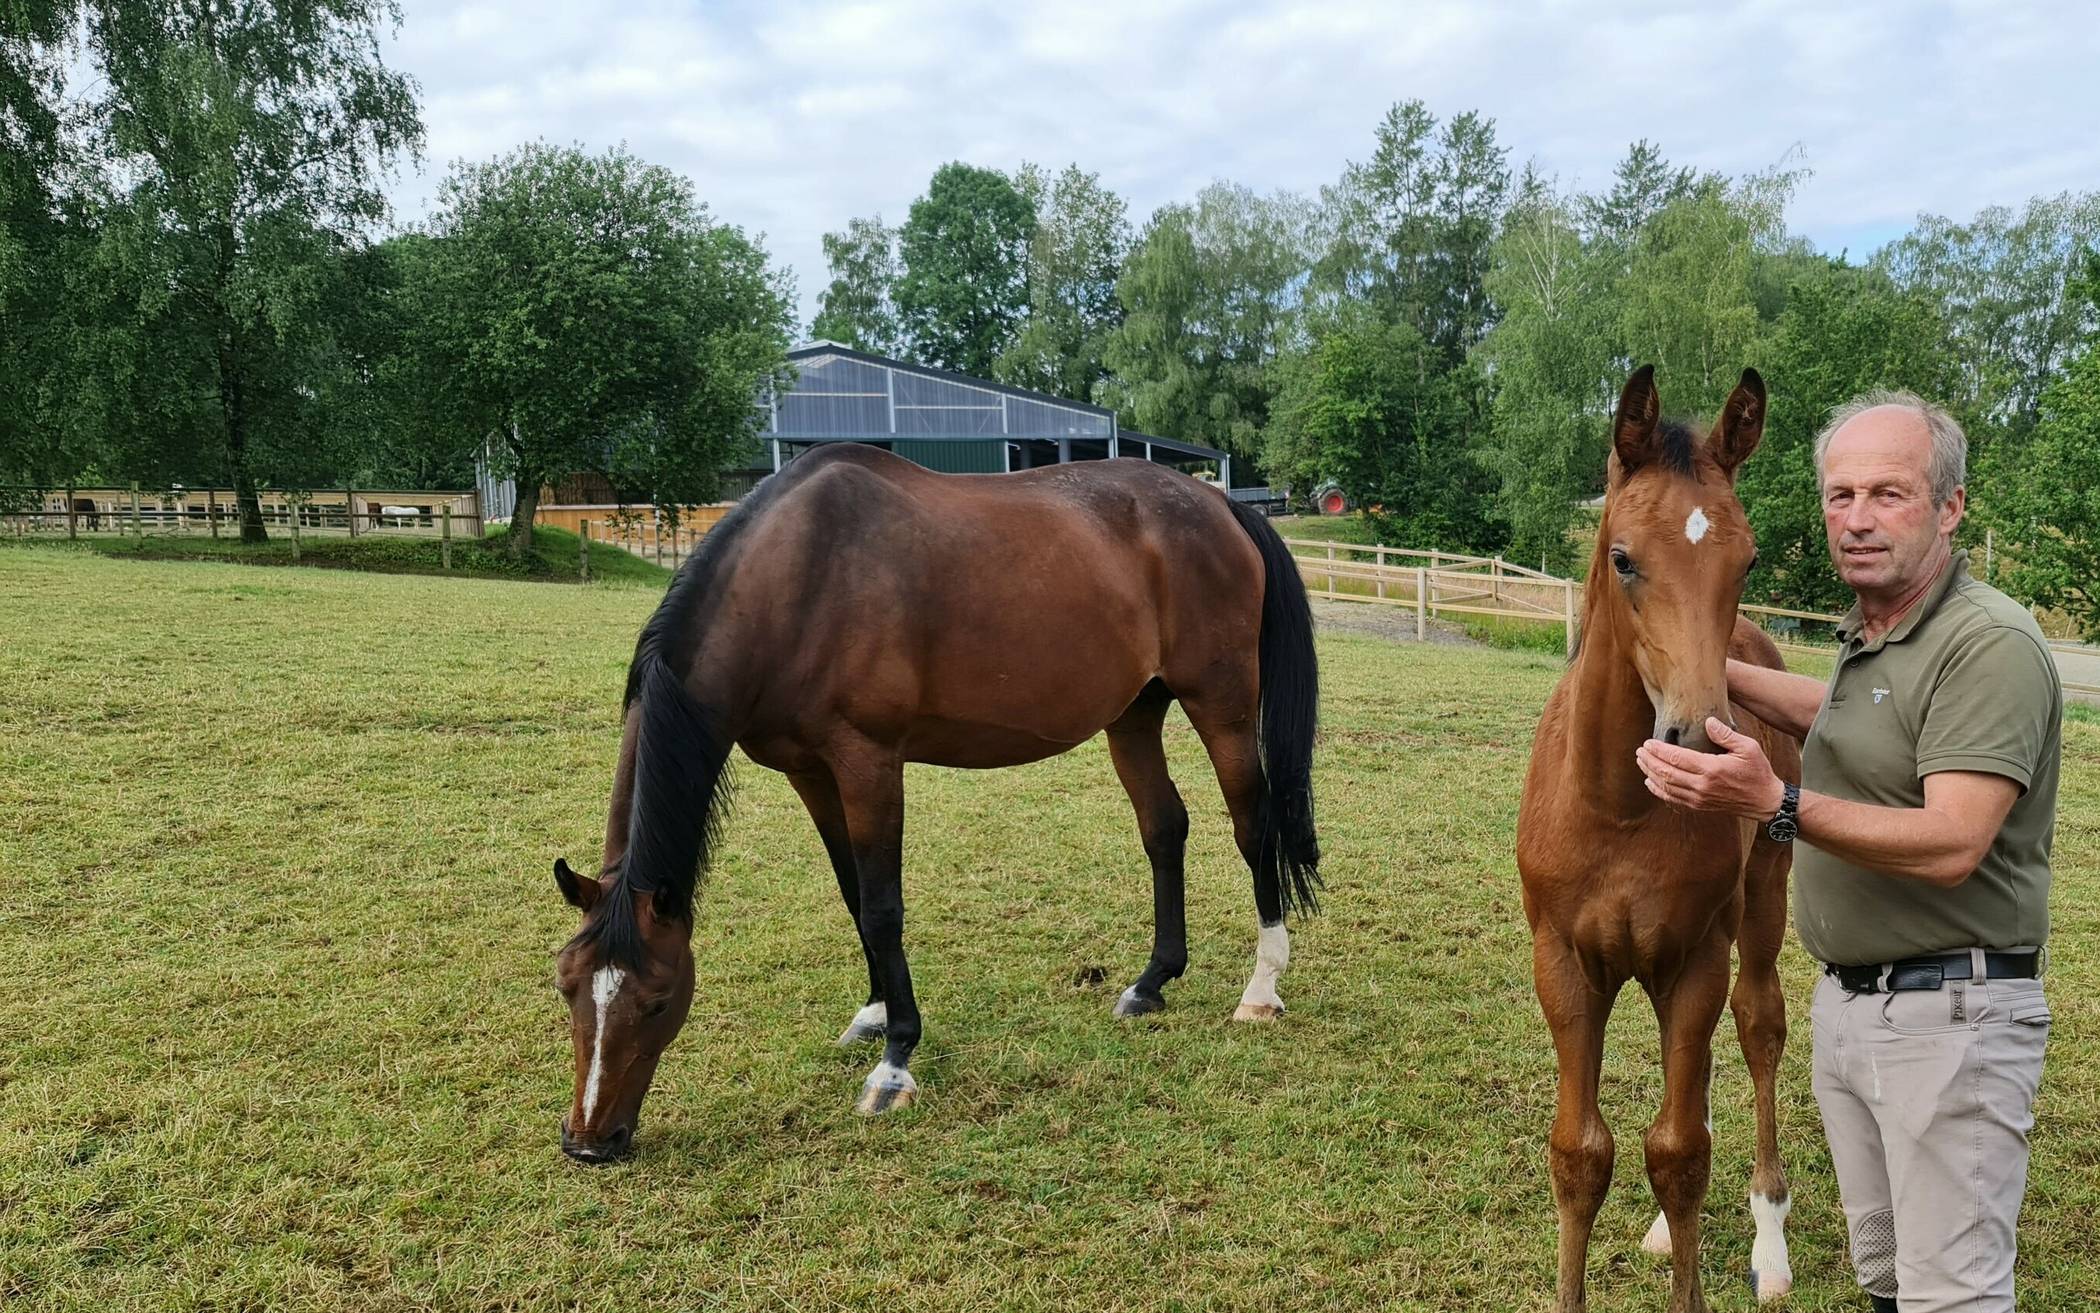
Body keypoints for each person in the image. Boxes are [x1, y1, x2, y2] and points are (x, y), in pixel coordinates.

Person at [1633, 390, 2060, 1313]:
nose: (1856, 519)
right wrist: (1671, 652)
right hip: (1861, 1011)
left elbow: (1954, 840)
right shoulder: (1879, 639)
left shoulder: (1984, 642)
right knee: (1889, 1280)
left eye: (1888, 494)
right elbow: (1837, 716)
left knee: (1952, 1295)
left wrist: (1775, 802)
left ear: (1949, 508)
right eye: (1839, 494)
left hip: (1954, 1018)